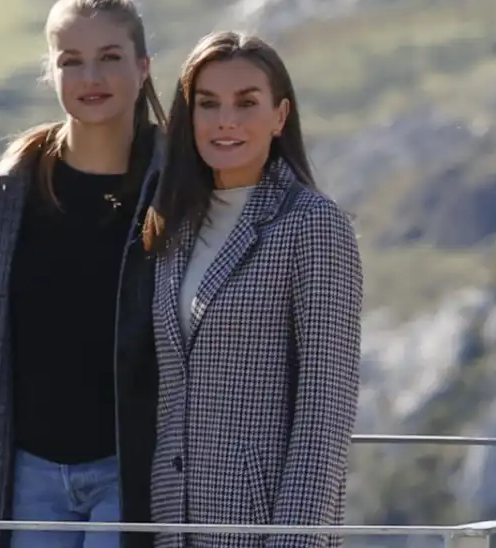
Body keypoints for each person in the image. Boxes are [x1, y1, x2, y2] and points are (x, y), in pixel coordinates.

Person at [141, 31, 363, 548]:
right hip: (173, 525)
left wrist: (293, 540)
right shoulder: (173, 226)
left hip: (261, 527)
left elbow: (325, 412)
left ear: (280, 116)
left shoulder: (313, 225)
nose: (226, 121)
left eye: (247, 103)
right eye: (208, 104)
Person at [0, 0, 166, 548]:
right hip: (28, 472)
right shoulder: (7, 195)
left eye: (110, 58)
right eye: (71, 62)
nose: (91, 78)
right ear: (50, 74)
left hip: (129, 471)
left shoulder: (181, 189)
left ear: (143, 67)